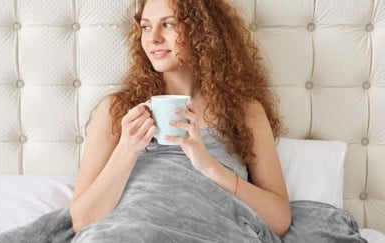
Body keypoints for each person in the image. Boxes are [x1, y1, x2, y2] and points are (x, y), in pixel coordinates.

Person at [69, 0, 291, 238]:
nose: (153, 38)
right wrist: (128, 148)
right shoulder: (117, 110)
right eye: (145, 27)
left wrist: (208, 166)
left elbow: (279, 220)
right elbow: (82, 221)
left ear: (202, 31)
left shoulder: (245, 112)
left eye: (168, 24)